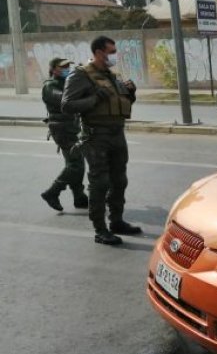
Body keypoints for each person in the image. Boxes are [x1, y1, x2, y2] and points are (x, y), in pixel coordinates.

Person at [61, 36, 142, 246]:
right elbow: (67, 105)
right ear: (98, 52)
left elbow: (119, 102)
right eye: (111, 52)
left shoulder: (112, 76)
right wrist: (96, 97)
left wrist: (131, 94)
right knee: (100, 183)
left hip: (117, 133)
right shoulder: (80, 75)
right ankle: (100, 230)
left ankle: (116, 221)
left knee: (119, 180)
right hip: (95, 136)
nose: (114, 56)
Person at [40, 57, 88, 212]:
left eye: (68, 66)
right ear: (54, 69)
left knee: (76, 163)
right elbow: (67, 100)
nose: (67, 68)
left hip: (71, 128)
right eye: (63, 67)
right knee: (75, 164)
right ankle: (52, 192)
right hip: (61, 129)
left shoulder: (66, 83)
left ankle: (79, 197)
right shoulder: (50, 86)